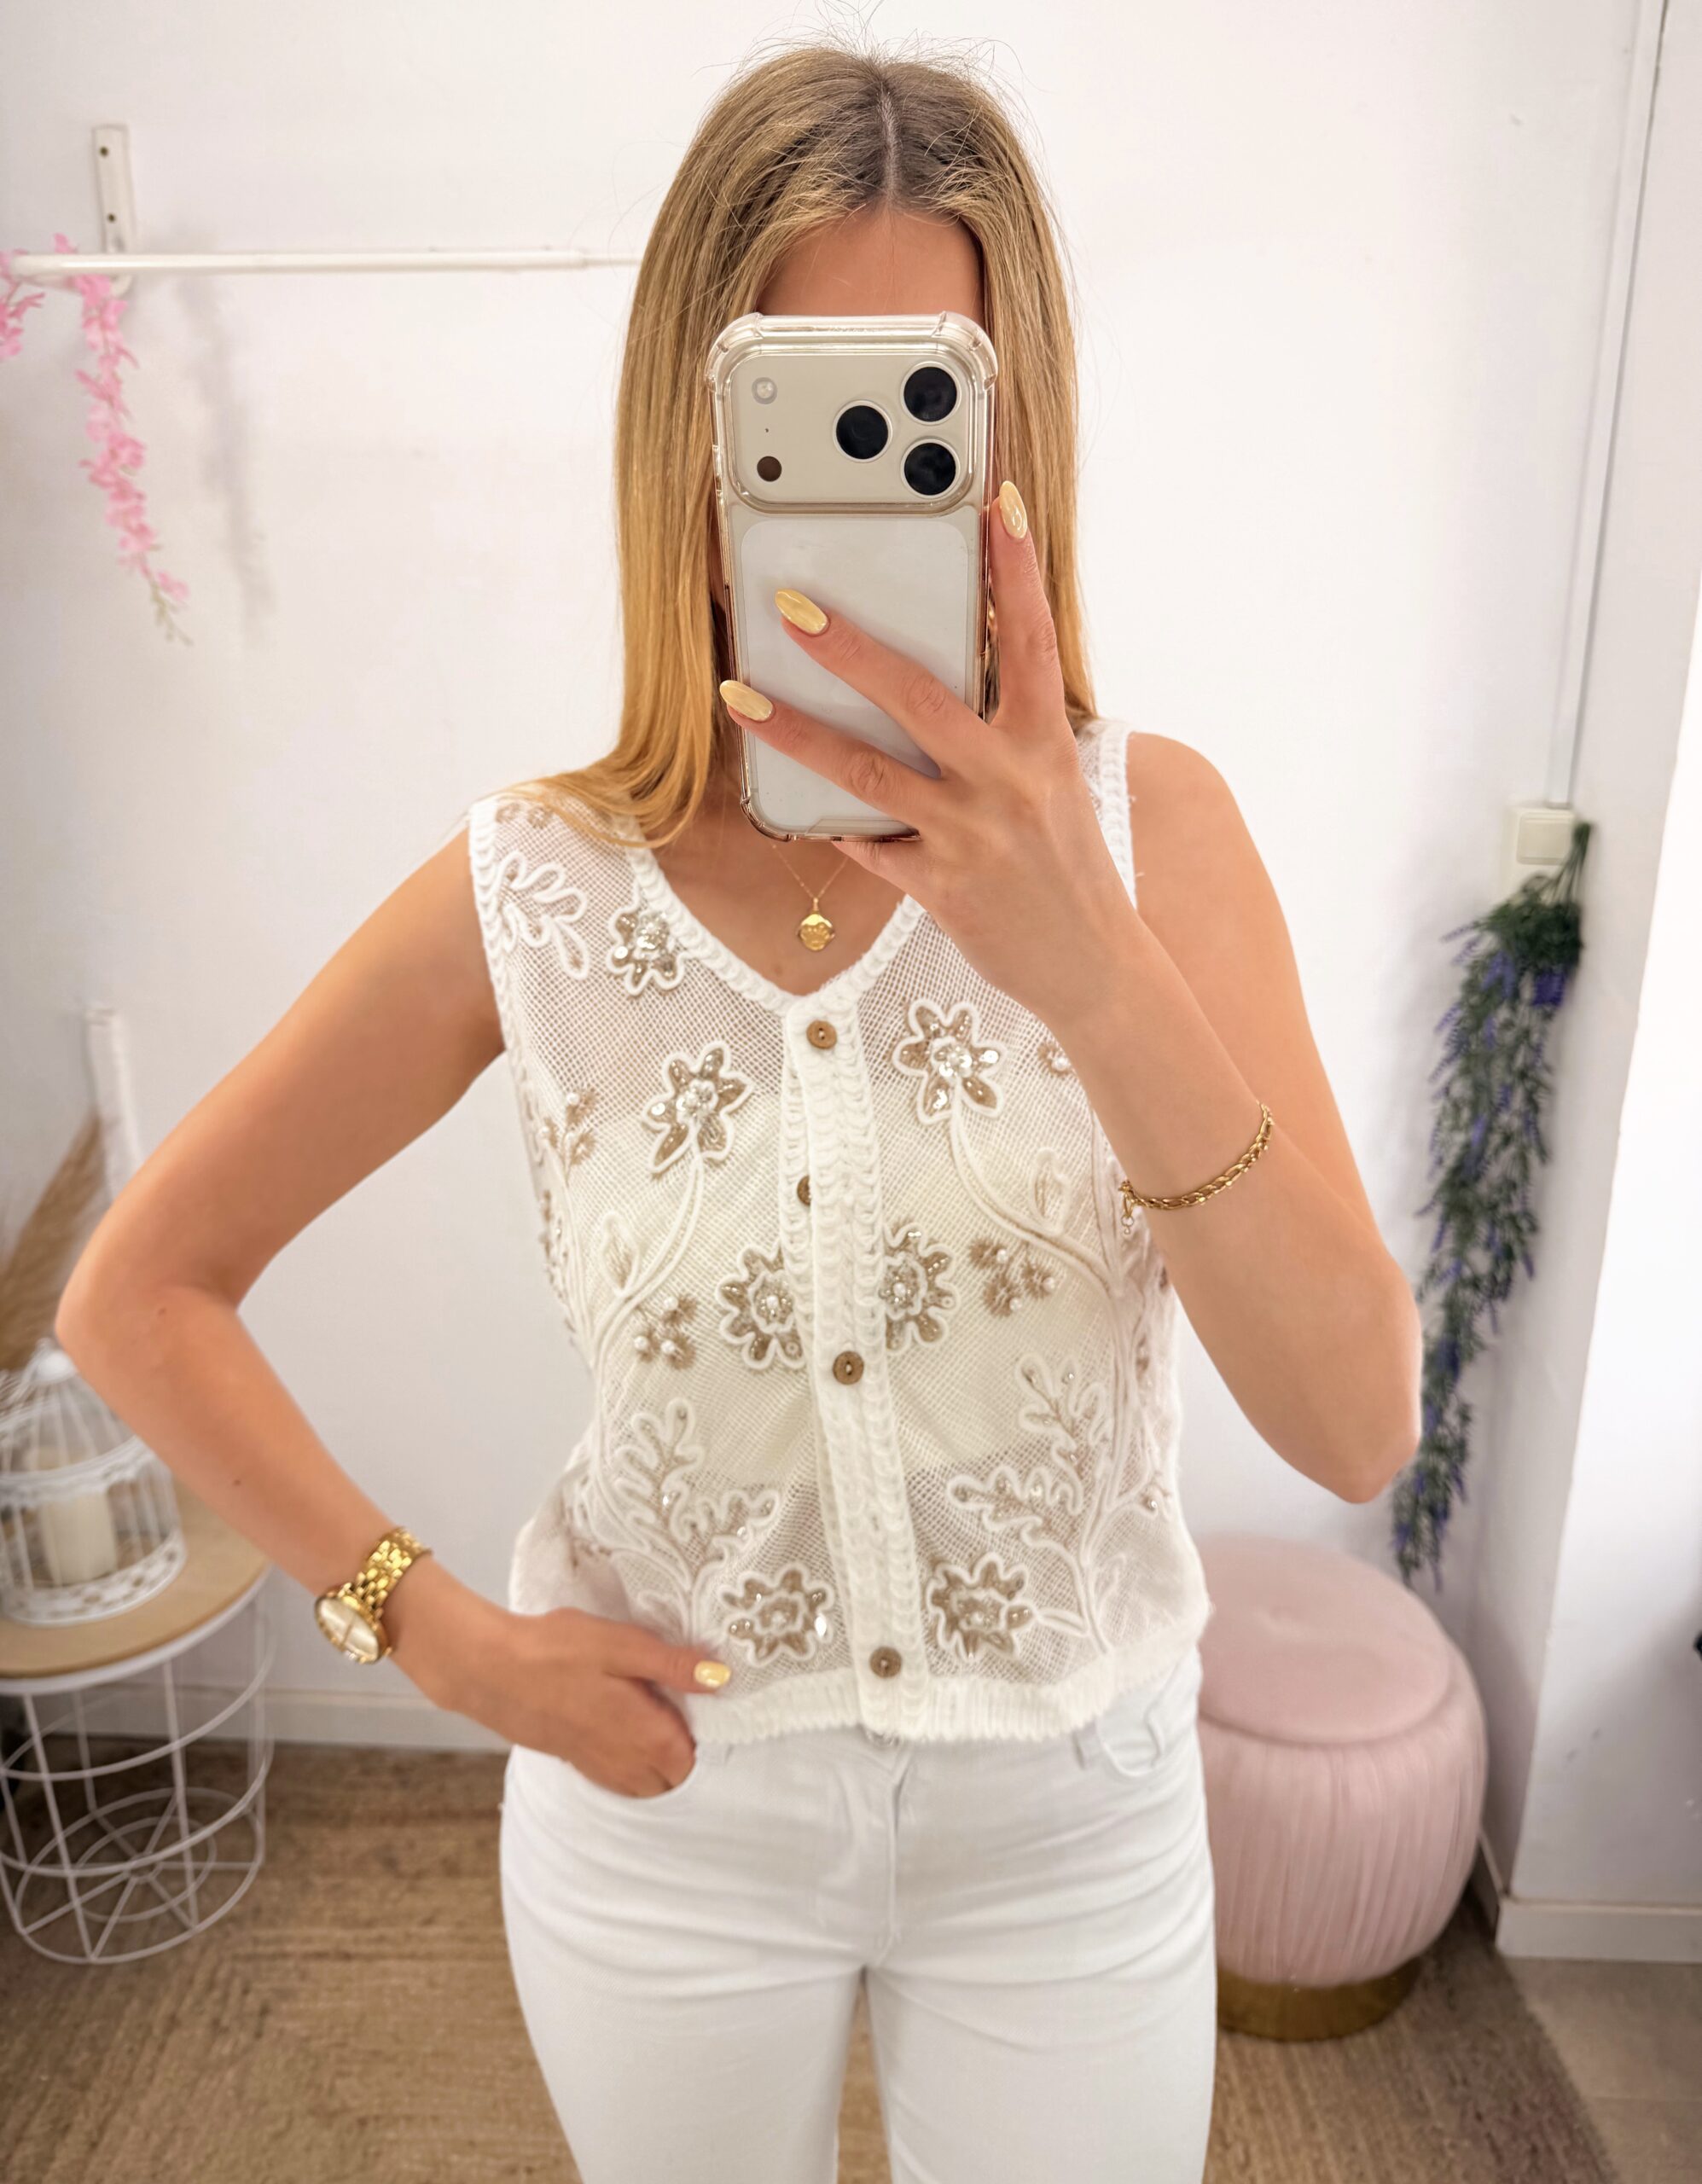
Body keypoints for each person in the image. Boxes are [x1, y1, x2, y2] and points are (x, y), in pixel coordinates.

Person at [55, 36, 1422, 2184]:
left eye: (925, 410)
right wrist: (433, 1629)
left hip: (1069, 1827)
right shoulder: (534, 885)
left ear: (1014, 448)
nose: (861, 482)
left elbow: (1351, 1423)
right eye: (798, 408)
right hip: (669, 1823)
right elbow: (139, 1290)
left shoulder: (1157, 842)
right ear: (689, 441)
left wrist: (1090, 964)